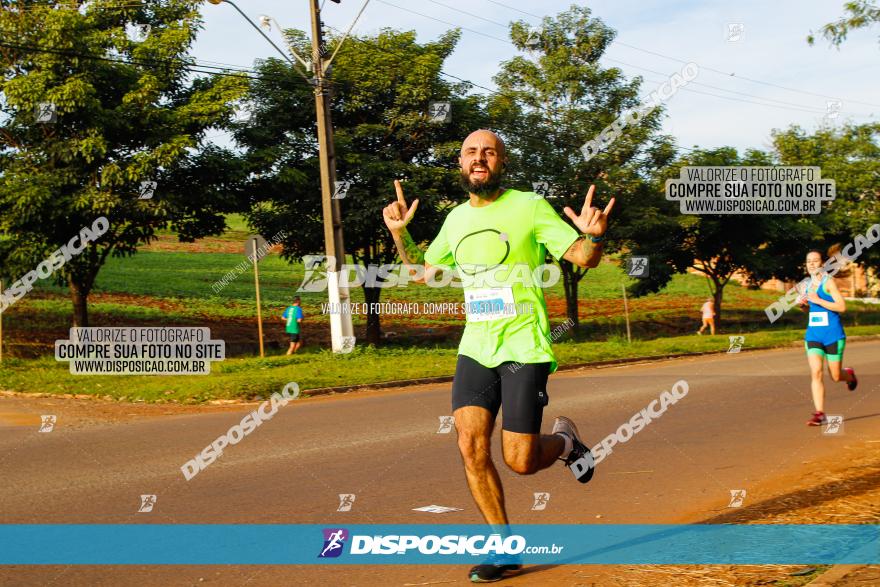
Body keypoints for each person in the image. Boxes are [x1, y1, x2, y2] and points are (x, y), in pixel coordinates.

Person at [382, 129, 614, 583]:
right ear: (461, 163)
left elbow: (582, 258)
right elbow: (420, 274)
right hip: (476, 347)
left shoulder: (528, 206)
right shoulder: (453, 219)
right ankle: (505, 550)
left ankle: (566, 442)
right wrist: (398, 234)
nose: (479, 158)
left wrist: (593, 238)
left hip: (524, 345)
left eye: (488, 151)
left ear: (501, 162)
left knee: (521, 461)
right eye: (471, 152)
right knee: (470, 446)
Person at [799, 250, 858, 426]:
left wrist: (818, 299)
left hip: (833, 335)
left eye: (815, 261)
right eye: (808, 261)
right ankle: (820, 413)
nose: (811, 264)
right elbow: (810, 309)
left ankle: (850, 376)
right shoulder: (806, 285)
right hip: (814, 335)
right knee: (816, 372)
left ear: (822, 264)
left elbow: (841, 307)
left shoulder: (828, 282)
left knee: (835, 376)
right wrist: (804, 306)